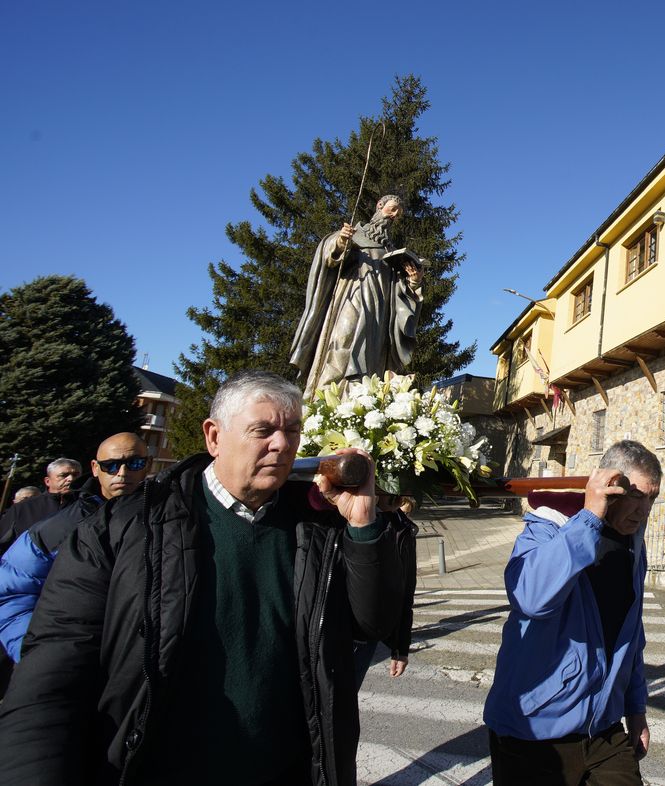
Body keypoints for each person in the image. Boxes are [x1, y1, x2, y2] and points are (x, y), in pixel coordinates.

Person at [0, 371, 406, 786]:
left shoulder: (319, 528)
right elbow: (52, 673)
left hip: (286, 771)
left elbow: (372, 623)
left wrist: (363, 527)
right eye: (262, 430)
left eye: (292, 431)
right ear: (214, 437)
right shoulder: (122, 528)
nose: (282, 445)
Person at [483, 440, 662, 786]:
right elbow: (531, 597)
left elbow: (630, 636)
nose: (644, 510)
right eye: (637, 495)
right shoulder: (547, 527)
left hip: (603, 728)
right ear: (610, 486)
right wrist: (590, 518)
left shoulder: (632, 545)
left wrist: (635, 709)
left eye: (652, 497)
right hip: (534, 729)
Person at [0, 432, 150, 663]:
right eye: (111, 465)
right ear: (95, 467)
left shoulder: (169, 520)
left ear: (147, 465)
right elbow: (13, 593)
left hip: (140, 668)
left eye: (134, 463)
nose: (122, 473)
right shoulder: (57, 528)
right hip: (63, 662)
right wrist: (36, 654)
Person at [290, 194, 424, 397]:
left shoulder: (391, 250)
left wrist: (413, 281)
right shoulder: (353, 234)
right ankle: (325, 397)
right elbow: (329, 257)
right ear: (380, 206)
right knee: (342, 339)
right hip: (352, 297)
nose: (394, 215)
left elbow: (400, 294)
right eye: (392, 209)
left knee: (371, 355)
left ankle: (359, 400)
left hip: (380, 310)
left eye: (398, 213)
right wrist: (342, 241)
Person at [352, 495, 418, 688]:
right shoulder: (336, 513)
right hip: (334, 632)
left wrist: (400, 646)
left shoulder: (402, 525)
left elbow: (405, 590)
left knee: (342, 708)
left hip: (366, 637)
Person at [0, 458, 81, 555]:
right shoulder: (23, 508)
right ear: (47, 481)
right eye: (63, 475)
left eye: (75, 475)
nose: (71, 479)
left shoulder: (88, 505)